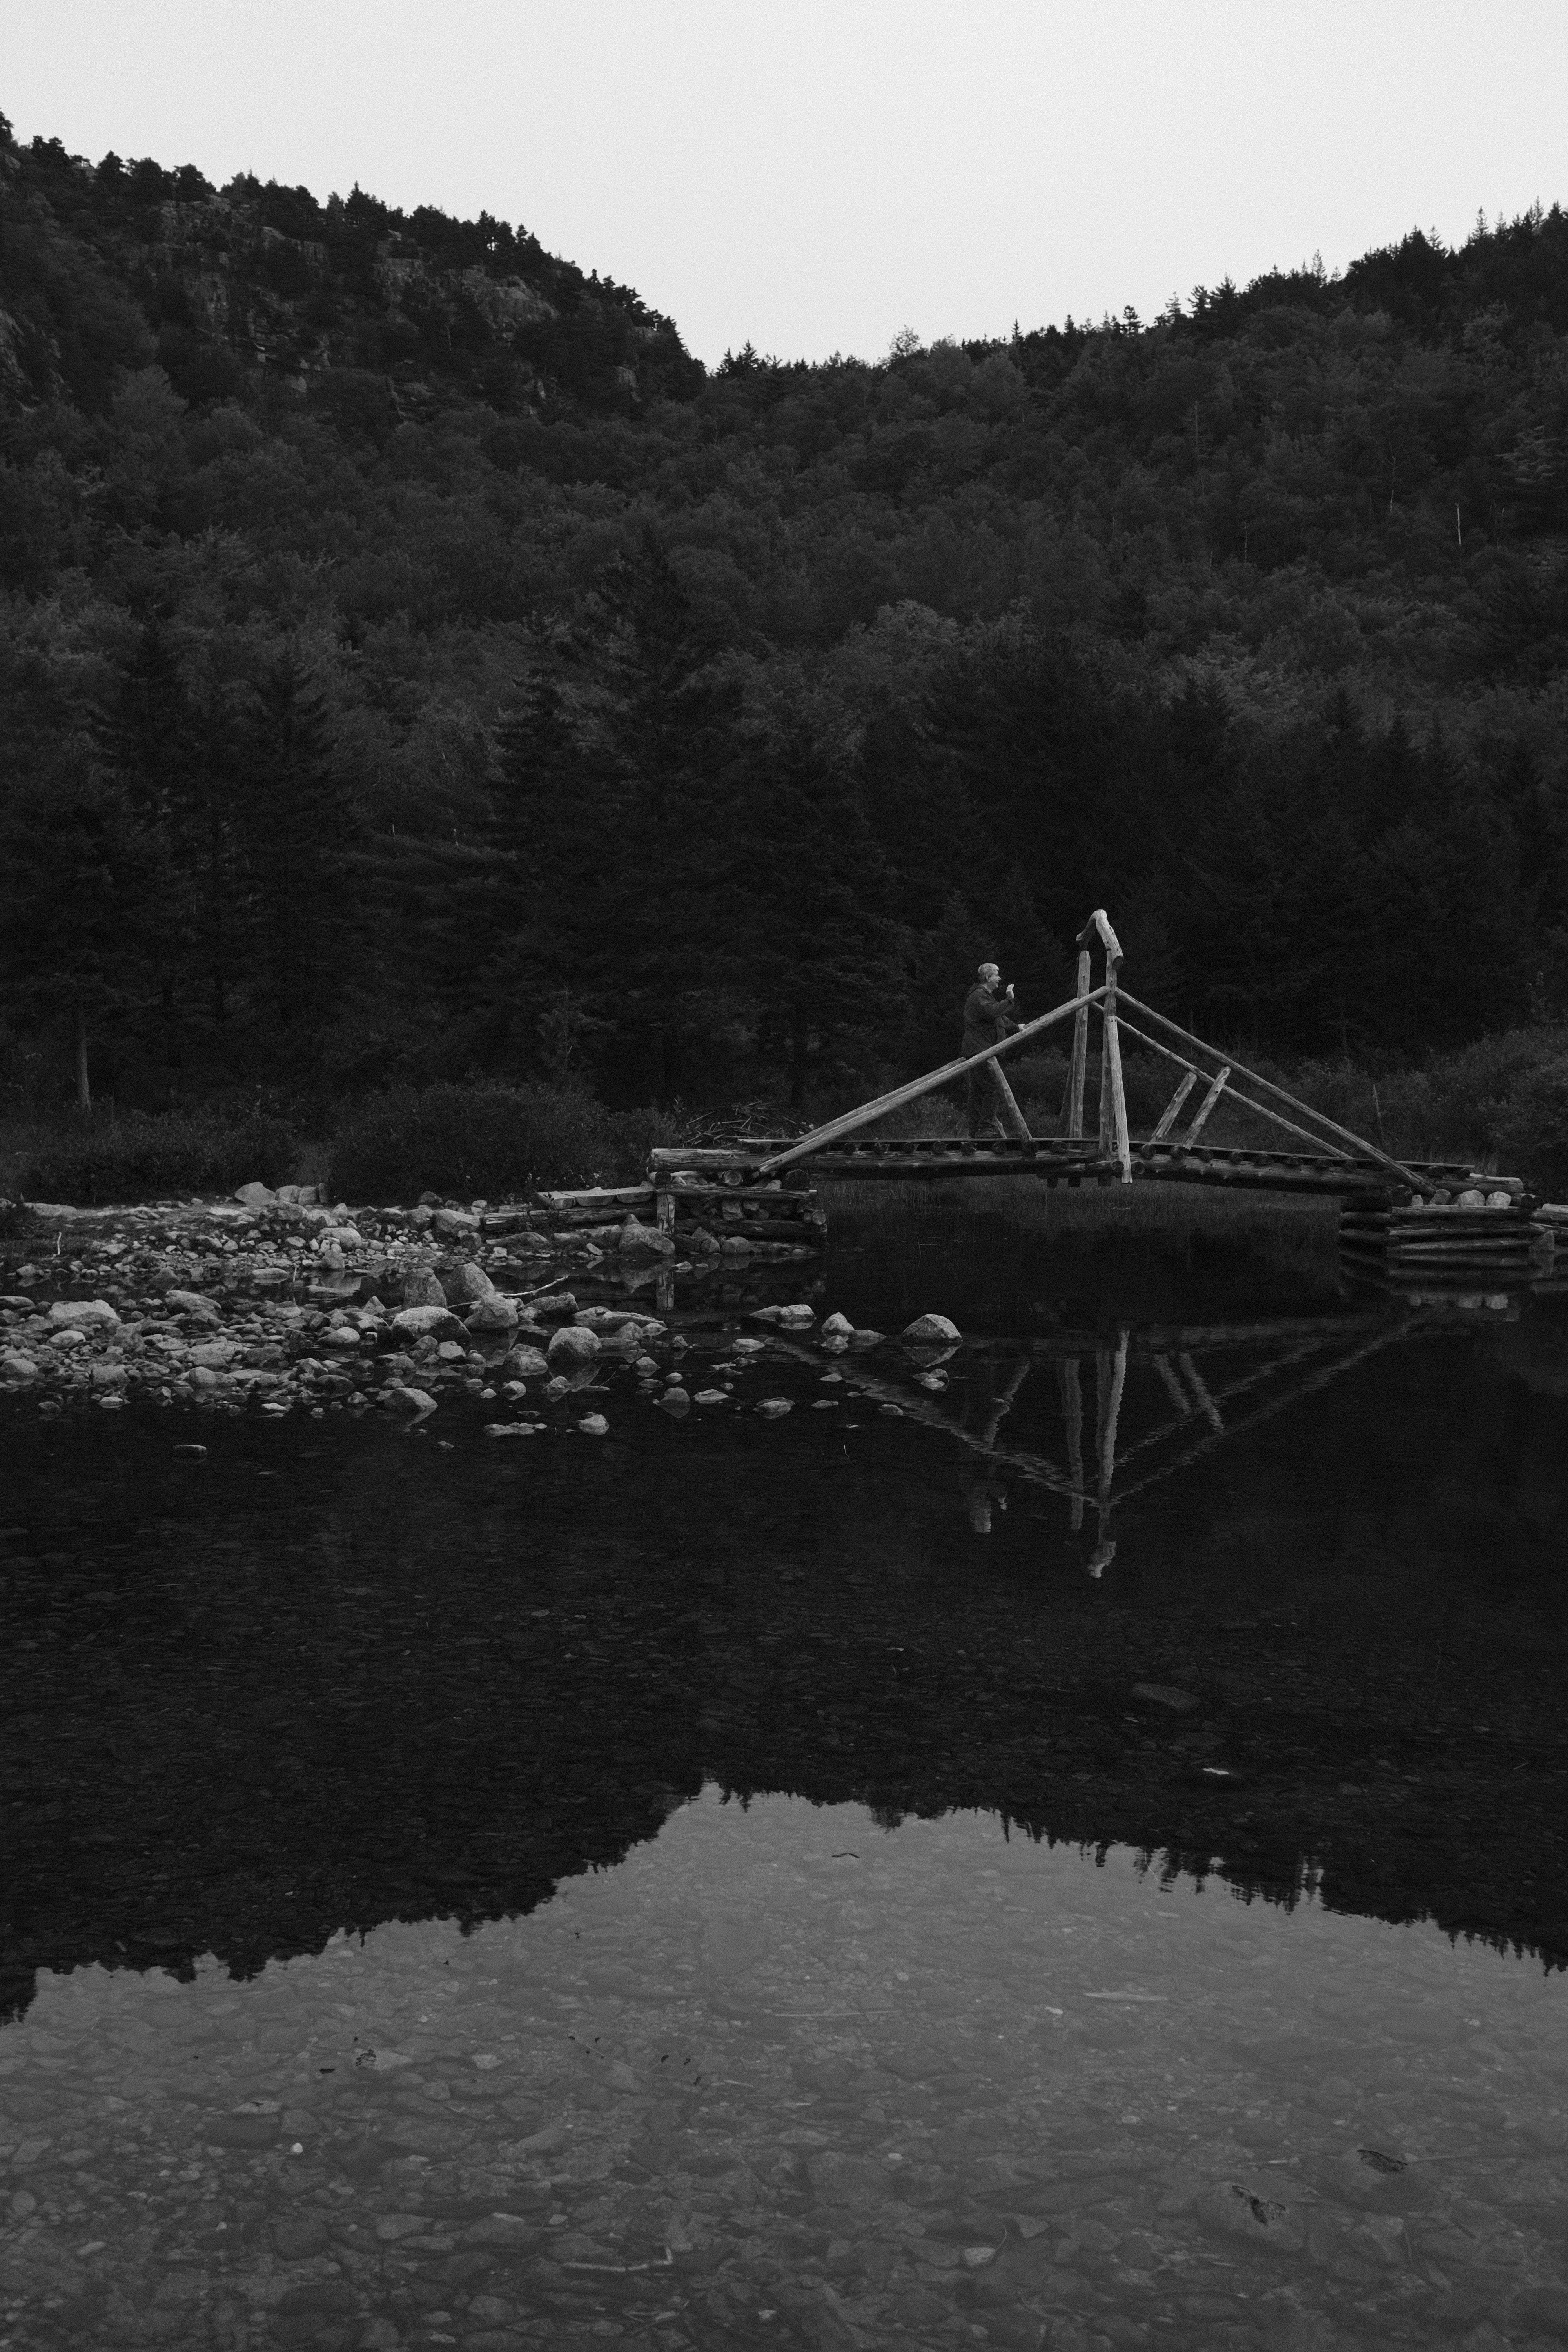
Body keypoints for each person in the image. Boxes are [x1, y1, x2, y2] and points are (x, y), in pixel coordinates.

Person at [962, 962, 1016, 1137]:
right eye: (997, 975)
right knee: (992, 1088)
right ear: (988, 977)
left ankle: (976, 1129)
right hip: (981, 1049)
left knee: (978, 1091)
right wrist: (1009, 999)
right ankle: (985, 1129)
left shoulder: (983, 996)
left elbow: (997, 1018)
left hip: (981, 1049)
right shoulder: (979, 995)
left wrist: (1017, 1027)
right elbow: (992, 1012)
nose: (1000, 978)